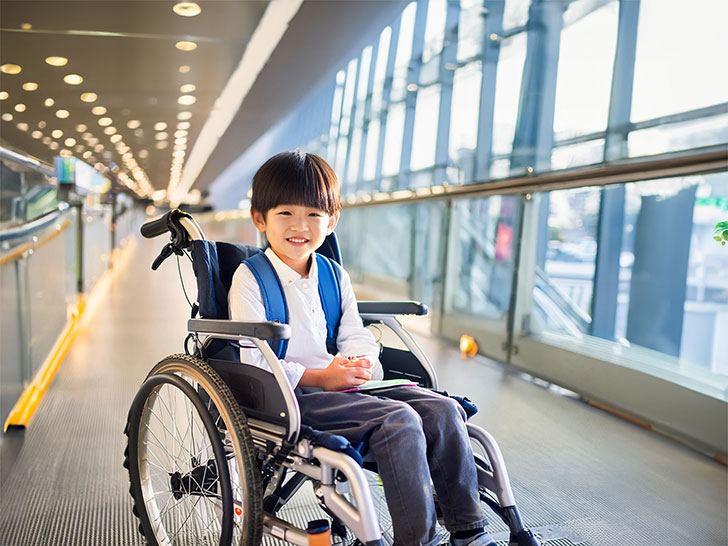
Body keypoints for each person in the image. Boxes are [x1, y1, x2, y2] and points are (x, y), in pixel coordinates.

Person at [229, 150, 495, 546]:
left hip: (344, 386)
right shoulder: (250, 279)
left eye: (313, 215)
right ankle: (416, 539)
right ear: (260, 218)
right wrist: (322, 377)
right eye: (285, 214)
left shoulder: (335, 276)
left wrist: (361, 362)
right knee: (399, 421)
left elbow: (354, 332)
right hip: (291, 394)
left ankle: (468, 531)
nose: (299, 226)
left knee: (442, 409)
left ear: (331, 221)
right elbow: (254, 360)